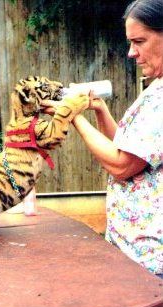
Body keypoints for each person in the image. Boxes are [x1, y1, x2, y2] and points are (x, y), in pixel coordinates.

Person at [43, 0, 163, 278]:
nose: (132, 53)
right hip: (134, 249)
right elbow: (128, 148)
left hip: (150, 258)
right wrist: (100, 110)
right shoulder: (156, 86)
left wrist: (72, 116)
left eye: (140, 41)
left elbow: (122, 166)